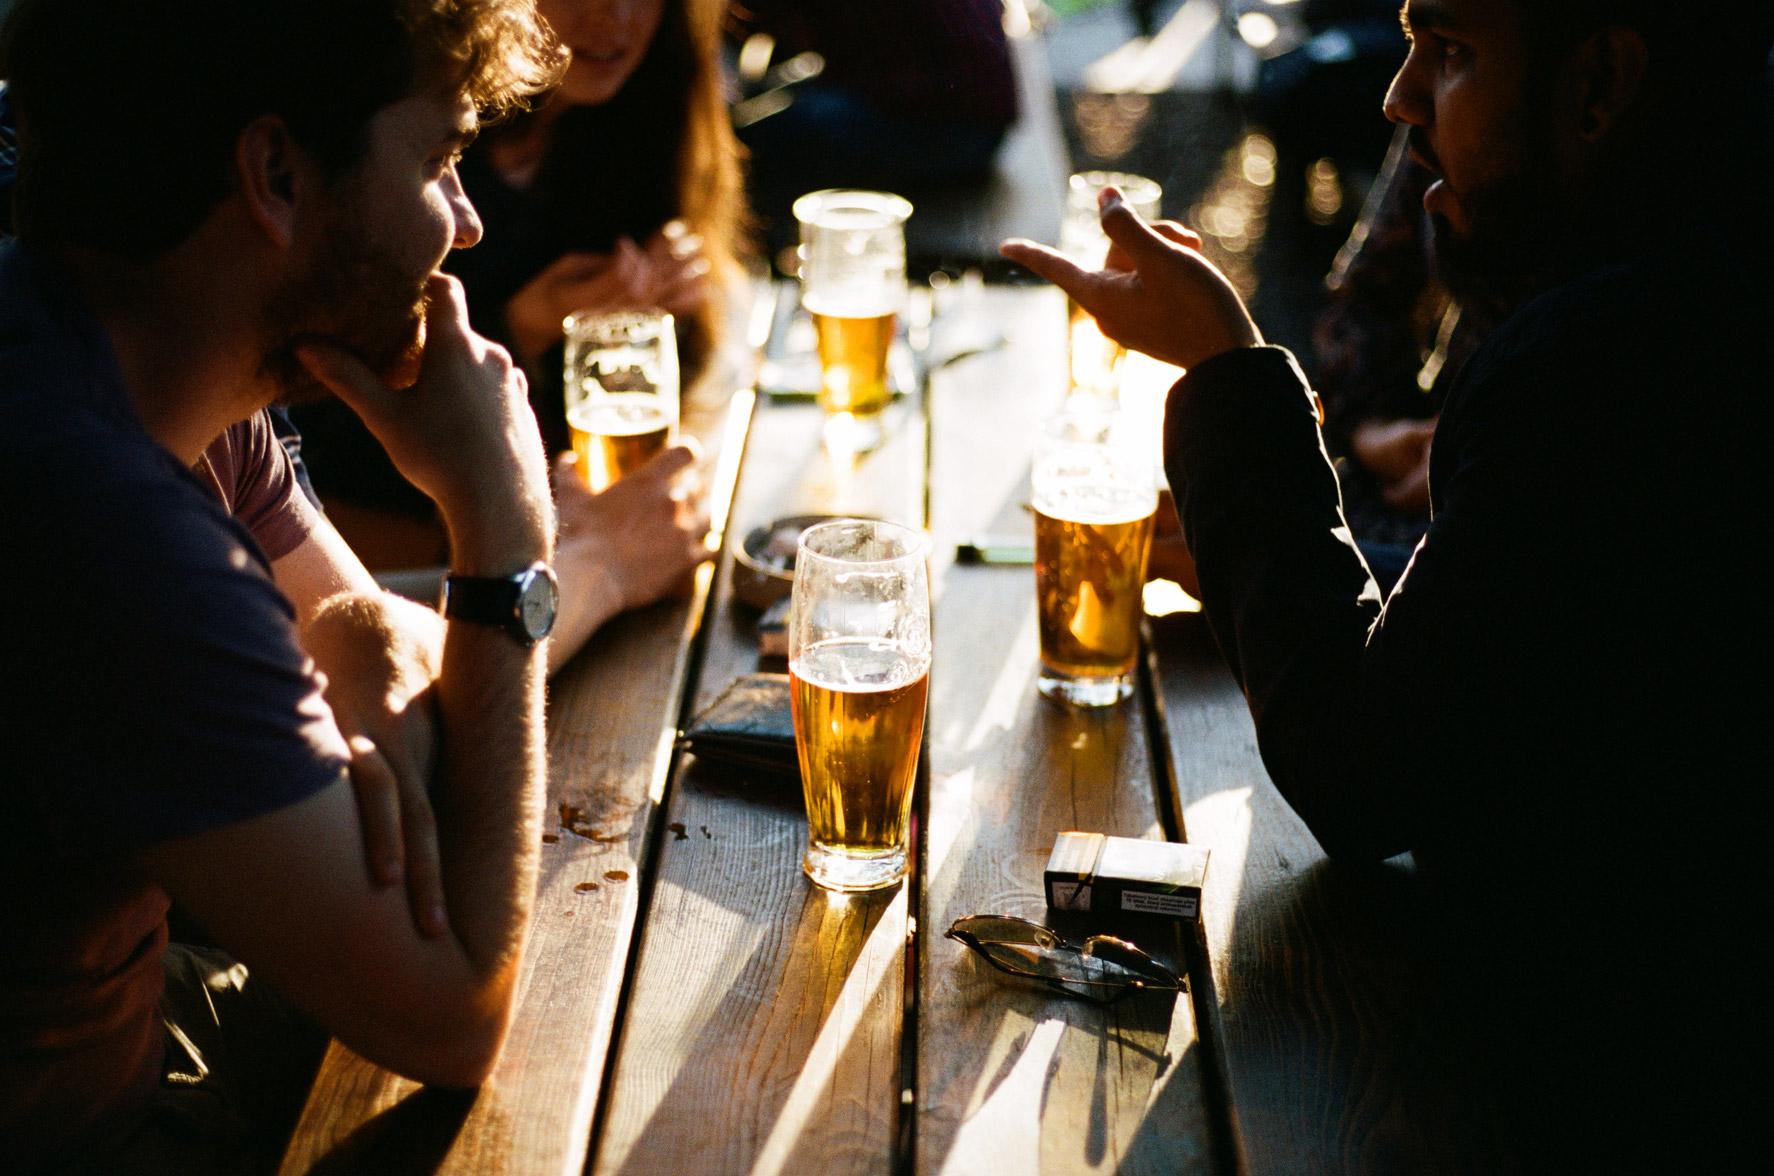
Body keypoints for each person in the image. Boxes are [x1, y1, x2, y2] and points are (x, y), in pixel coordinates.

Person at [1005, 1, 1773, 1166]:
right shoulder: (1654, 270)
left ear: (1598, 82)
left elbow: (1360, 776)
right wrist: (1246, 542)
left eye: (1451, 50)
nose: (1397, 94)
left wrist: (1223, 365)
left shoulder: (1616, 353)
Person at [0, 0, 596, 1168]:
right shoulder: (96, 524)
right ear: (275, 172)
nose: (465, 226)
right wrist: (504, 535)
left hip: (147, 1024)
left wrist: (368, 635)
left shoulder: (147, 353)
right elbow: (450, 1012)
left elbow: (370, 646)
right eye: (437, 159)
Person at [292, 0, 742, 579]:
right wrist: (520, 329)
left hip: (569, 539)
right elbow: (325, 439)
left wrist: (665, 304)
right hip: (408, 558)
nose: (616, 16)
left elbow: (693, 373)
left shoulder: (640, 111)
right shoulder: (419, 122)